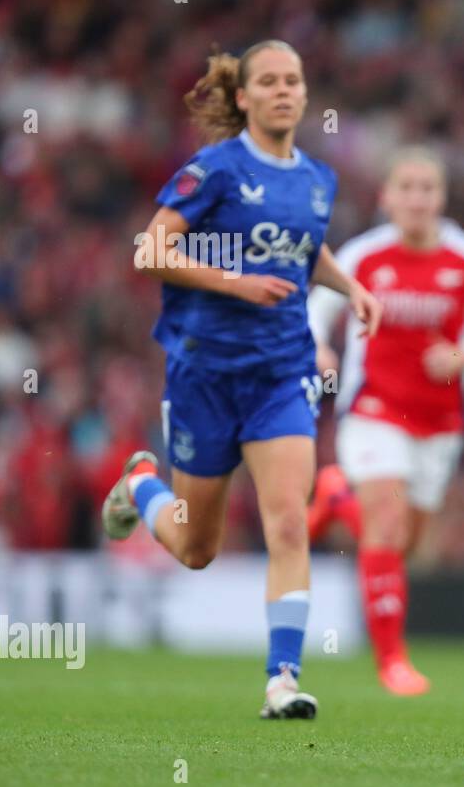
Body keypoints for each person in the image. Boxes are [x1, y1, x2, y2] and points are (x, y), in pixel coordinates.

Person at [100, 40, 382, 720]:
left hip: (282, 374)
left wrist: (349, 287)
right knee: (198, 549)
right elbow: (150, 247)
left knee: (288, 524)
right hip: (204, 374)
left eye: (294, 80)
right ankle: (141, 483)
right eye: (269, 81)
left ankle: (282, 680)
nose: (285, 90)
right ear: (244, 97)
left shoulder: (317, 179)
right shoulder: (214, 171)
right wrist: (233, 281)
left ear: (305, 94)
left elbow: (306, 252)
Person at [306, 147, 464, 695]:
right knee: (387, 525)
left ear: (441, 198)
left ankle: (335, 499)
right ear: (387, 197)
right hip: (373, 408)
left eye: (428, 188)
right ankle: (392, 661)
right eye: (407, 187)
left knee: (405, 542)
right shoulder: (363, 255)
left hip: (440, 421)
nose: (418, 198)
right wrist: (318, 350)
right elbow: (318, 308)